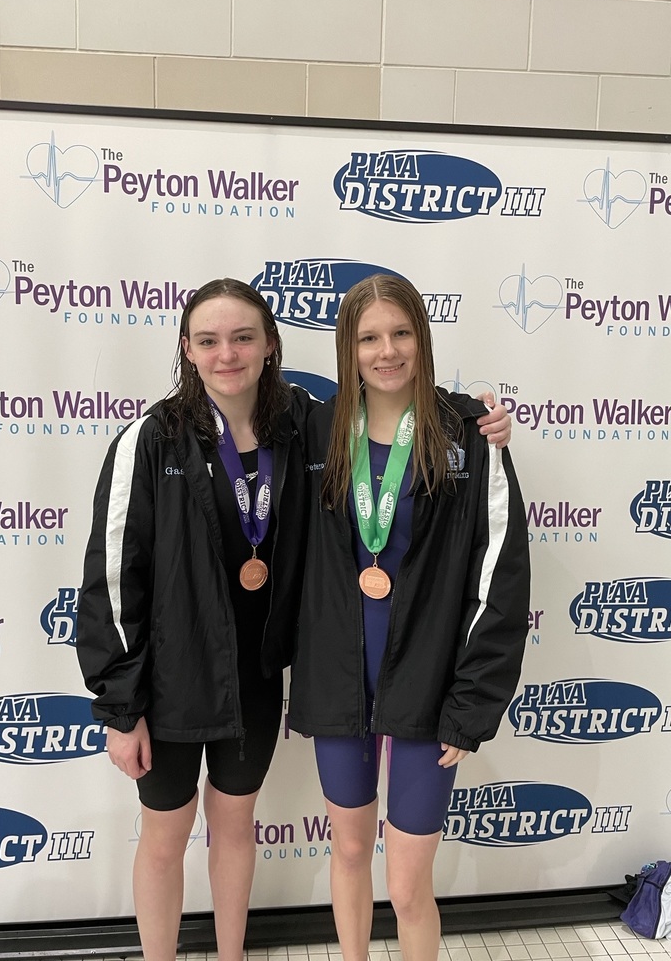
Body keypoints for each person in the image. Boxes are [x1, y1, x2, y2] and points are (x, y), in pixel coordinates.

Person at [75, 277, 514, 961]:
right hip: (209, 682)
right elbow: (112, 574)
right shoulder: (179, 437)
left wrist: (477, 411)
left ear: (270, 345)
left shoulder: (315, 427)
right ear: (186, 348)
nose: (227, 353)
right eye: (209, 340)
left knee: (358, 867)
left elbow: (495, 577)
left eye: (243, 337)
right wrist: (119, 703)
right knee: (193, 839)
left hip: (345, 682)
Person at [288, 274, 530, 961]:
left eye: (400, 333)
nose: (386, 351)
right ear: (348, 348)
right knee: (349, 852)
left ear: (422, 337)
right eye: (369, 338)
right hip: (339, 681)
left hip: (429, 686)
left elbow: (500, 576)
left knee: (407, 883)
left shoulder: (468, 433)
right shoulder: (316, 429)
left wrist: (472, 703)